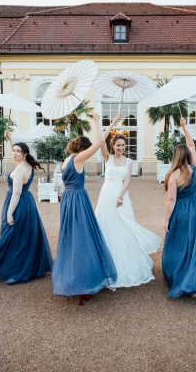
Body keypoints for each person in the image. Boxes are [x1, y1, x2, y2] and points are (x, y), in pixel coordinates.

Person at [52, 113, 117, 305]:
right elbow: (100, 141)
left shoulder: (66, 160)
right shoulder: (79, 159)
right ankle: (83, 281)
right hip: (79, 200)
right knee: (83, 238)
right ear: (83, 148)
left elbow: (63, 186)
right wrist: (100, 121)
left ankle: (73, 275)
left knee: (71, 238)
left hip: (68, 200)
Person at [0, 132, 52, 284]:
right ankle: (28, 265)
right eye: (13, 150)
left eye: (17, 151)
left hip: (18, 203)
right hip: (28, 202)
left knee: (12, 235)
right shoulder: (27, 164)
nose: (14, 153)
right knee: (25, 235)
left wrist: (9, 214)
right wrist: (10, 140)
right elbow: (20, 154)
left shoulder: (21, 169)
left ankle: (13, 268)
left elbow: (16, 193)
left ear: (25, 154)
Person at [95, 113, 161, 289]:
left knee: (124, 226)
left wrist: (120, 196)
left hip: (120, 195)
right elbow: (100, 140)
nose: (121, 148)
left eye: (123, 145)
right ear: (113, 146)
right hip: (106, 194)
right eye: (118, 145)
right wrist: (112, 123)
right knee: (106, 225)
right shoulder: (107, 158)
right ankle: (106, 264)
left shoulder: (129, 161)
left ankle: (126, 262)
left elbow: (127, 181)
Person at [162, 118, 196, 298]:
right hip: (195, 208)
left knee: (178, 244)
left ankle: (181, 278)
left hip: (181, 211)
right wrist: (185, 128)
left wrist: (166, 219)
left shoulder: (173, 176)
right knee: (195, 243)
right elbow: (191, 145)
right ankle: (195, 280)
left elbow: (171, 200)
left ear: (175, 156)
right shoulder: (195, 167)